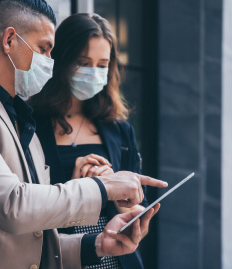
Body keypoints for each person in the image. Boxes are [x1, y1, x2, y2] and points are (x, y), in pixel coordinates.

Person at [0, 1, 168, 269]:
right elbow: (12, 205)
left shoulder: (19, 117)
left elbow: (36, 239)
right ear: (10, 39)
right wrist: (104, 187)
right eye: (44, 49)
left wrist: (98, 244)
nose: (48, 62)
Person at [30, 13, 148, 269]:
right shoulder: (31, 125)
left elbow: (140, 219)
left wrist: (119, 194)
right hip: (60, 258)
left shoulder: (120, 131)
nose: (93, 73)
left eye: (102, 65)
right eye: (83, 63)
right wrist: (75, 188)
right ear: (61, 61)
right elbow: (25, 211)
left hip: (117, 261)